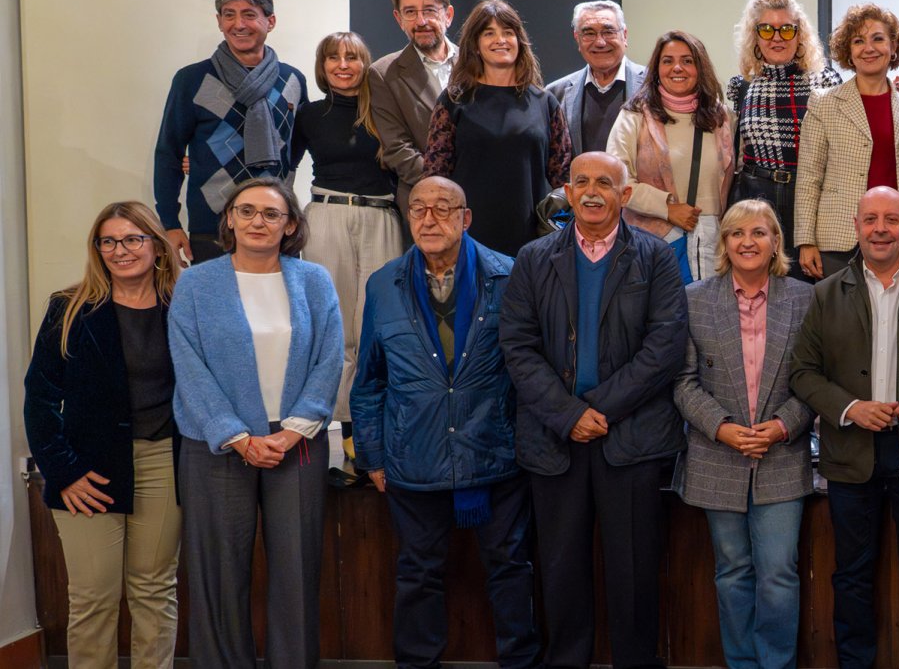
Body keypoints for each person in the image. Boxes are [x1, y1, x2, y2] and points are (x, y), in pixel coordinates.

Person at [498, 151, 689, 669]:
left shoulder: (656, 257)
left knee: (633, 571)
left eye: (604, 182)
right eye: (580, 181)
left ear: (625, 195)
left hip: (630, 440)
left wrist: (597, 409)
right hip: (554, 440)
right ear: (567, 191)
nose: (591, 191)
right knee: (560, 570)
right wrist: (567, 415)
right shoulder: (534, 258)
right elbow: (517, 345)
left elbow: (666, 346)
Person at [351, 176, 539, 668]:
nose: (429, 219)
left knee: (510, 568)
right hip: (413, 455)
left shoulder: (510, 274)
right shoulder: (383, 283)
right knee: (417, 572)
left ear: (466, 217)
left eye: (442, 208)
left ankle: (521, 662)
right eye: (418, 209)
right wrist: (371, 454)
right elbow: (369, 379)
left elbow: (530, 372)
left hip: (496, 452)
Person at [168, 177, 342, 668]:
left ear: (290, 225)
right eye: (246, 211)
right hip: (217, 445)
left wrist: (291, 432)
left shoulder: (314, 281)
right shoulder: (197, 285)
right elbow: (189, 368)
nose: (257, 222)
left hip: (297, 444)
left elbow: (329, 360)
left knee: (297, 573)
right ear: (229, 220)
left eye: (271, 214)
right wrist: (238, 436)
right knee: (218, 577)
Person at [791, 186, 899, 669]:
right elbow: (803, 372)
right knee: (851, 576)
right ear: (856, 225)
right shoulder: (824, 295)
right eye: (871, 219)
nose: (881, 228)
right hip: (851, 454)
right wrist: (848, 408)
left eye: (891, 219)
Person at [24, 202, 181, 669]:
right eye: (108, 241)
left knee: (155, 590)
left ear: (156, 245)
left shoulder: (184, 305)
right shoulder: (69, 308)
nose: (121, 250)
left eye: (133, 239)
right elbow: (39, 399)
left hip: (164, 462)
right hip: (86, 468)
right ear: (97, 249)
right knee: (94, 597)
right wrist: (64, 471)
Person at [673, 199, 813, 669]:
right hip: (718, 456)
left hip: (782, 455)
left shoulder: (804, 298)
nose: (747, 242)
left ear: (776, 241)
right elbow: (682, 382)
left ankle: (776, 664)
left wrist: (782, 426)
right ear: (725, 243)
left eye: (758, 232)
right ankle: (742, 664)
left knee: (778, 573)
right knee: (732, 573)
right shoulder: (694, 298)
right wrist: (722, 428)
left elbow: (815, 379)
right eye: (737, 233)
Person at [154, 0, 307, 265]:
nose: (239, 24)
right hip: (212, 225)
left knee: (278, 308)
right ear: (219, 21)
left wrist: (282, 182)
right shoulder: (192, 80)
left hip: (276, 223)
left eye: (249, 14)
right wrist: (170, 223)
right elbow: (168, 153)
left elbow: (296, 147)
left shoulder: (292, 80)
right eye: (229, 14)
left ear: (270, 21)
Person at [292, 31, 402, 421]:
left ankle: (368, 431)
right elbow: (281, 167)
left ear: (365, 63)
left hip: (382, 216)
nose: (343, 65)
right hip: (327, 215)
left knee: (377, 321)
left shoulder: (385, 111)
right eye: (333, 58)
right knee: (334, 323)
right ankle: (336, 430)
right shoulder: (309, 116)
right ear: (322, 67)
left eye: (352, 57)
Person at [423, 0, 572, 256]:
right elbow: (436, 178)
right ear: (476, 45)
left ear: (519, 41)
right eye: (489, 33)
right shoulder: (454, 101)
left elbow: (564, 179)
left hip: (531, 242)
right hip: (468, 239)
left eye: (508, 32)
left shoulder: (544, 102)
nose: (500, 40)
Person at [796, 3, 899, 280]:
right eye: (858, 41)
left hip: (895, 237)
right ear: (848, 52)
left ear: (893, 47)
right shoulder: (823, 102)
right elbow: (808, 176)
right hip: (838, 238)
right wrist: (806, 240)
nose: (869, 48)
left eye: (878, 38)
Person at [726, 0, 843, 278]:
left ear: (799, 34)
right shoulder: (742, 86)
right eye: (767, 29)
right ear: (755, 35)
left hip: (809, 196)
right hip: (756, 197)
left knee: (810, 286)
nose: (777, 37)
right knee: (760, 285)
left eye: (786, 30)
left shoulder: (825, 81)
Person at [606, 31, 735, 281]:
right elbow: (616, 181)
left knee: (702, 317)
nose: (678, 68)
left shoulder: (722, 118)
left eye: (687, 60)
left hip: (710, 248)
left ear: (700, 67)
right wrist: (667, 208)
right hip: (652, 243)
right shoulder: (633, 117)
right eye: (668, 61)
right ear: (656, 69)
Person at [369, 0, 458, 216]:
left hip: (484, 196)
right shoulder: (383, 74)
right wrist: (446, 188)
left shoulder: (476, 64)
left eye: (429, 10)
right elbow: (398, 149)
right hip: (425, 204)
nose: (421, 21)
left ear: (447, 15)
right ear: (399, 19)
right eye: (410, 12)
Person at [545, 0, 648, 154]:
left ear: (624, 35)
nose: (600, 42)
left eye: (608, 32)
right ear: (577, 39)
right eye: (589, 33)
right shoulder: (555, 93)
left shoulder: (652, 84)